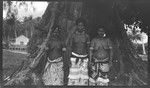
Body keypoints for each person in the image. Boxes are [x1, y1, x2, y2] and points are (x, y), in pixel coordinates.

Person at [68, 18, 90, 85]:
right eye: (79, 25)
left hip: (84, 58)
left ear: (84, 27)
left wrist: (90, 60)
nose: (80, 27)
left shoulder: (87, 36)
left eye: (82, 25)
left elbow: (88, 48)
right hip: (74, 58)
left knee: (84, 78)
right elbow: (70, 47)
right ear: (77, 26)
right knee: (73, 77)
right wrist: (69, 59)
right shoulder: (73, 36)